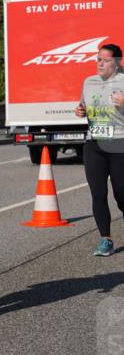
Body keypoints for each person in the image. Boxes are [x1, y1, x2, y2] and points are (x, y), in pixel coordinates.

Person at [75, 43, 124, 256]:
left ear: (118, 62)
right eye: (98, 59)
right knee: (98, 193)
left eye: (105, 60)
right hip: (94, 143)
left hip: (119, 143)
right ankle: (105, 239)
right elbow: (83, 105)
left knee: (121, 195)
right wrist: (80, 109)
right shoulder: (89, 82)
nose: (100, 63)